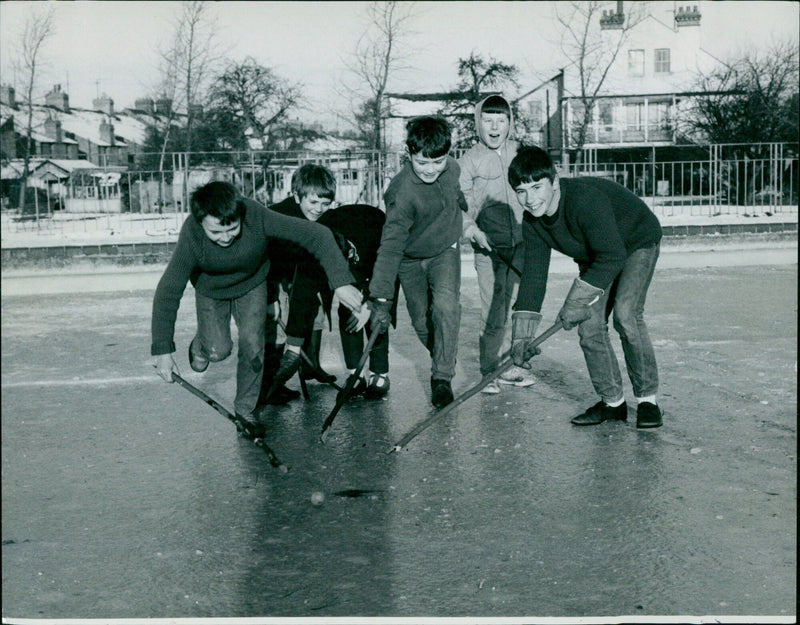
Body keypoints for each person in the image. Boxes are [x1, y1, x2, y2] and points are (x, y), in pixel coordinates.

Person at [150, 180, 363, 439]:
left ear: (241, 215)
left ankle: (246, 411)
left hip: (252, 284)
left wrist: (340, 281)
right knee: (219, 351)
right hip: (211, 289)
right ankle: (203, 345)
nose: (225, 237)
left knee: (253, 345)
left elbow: (317, 235)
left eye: (232, 229)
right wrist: (163, 350)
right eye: (216, 233)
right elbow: (168, 291)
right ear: (201, 221)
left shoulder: (256, 215)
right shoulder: (192, 236)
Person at [507, 146, 663, 428]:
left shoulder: (584, 201)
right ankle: (613, 403)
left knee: (626, 315)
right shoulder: (533, 222)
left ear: (554, 181)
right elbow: (533, 275)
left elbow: (613, 255)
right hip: (598, 254)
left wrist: (574, 302)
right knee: (589, 327)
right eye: (521, 191)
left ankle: (647, 400)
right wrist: (521, 336)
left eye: (537, 187)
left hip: (635, 241)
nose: (530, 199)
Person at [367, 116, 468, 409]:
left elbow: (453, 188)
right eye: (421, 163)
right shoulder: (402, 193)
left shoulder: (452, 169)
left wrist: (461, 205)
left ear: (448, 155)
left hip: (444, 251)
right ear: (408, 154)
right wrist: (381, 298)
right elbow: (390, 246)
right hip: (409, 260)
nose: (430, 170)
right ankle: (444, 353)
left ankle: (441, 378)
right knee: (422, 321)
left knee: (446, 307)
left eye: (438, 162)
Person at [272, 203, 393, 399]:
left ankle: (380, 375)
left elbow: (386, 273)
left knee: (376, 319)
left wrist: (370, 304)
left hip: (376, 259)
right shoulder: (311, 250)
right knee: (348, 311)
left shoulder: (372, 236)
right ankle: (355, 375)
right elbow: (302, 297)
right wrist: (293, 349)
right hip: (348, 249)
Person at [458, 94, 536, 395]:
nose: (494, 127)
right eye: (488, 120)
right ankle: (490, 369)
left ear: (509, 123)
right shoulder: (469, 161)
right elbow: (460, 206)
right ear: (479, 124)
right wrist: (471, 229)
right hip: (488, 249)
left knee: (519, 306)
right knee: (493, 308)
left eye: (500, 120)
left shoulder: (520, 153)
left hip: (522, 244)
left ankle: (511, 365)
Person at [258, 164, 340, 407]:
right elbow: (266, 263)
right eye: (313, 203)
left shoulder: (322, 219)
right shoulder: (278, 218)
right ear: (296, 196)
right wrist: (270, 299)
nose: (319, 210)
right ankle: (269, 386)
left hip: (298, 273)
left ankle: (310, 366)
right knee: (277, 328)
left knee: (314, 312)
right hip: (271, 275)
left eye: (325, 204)